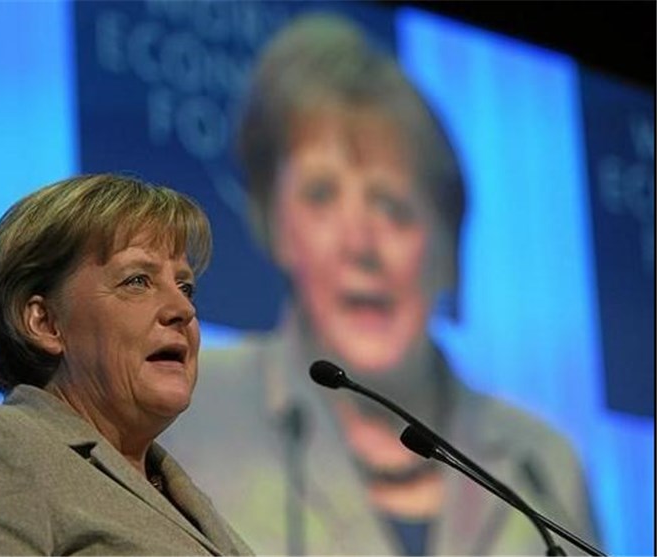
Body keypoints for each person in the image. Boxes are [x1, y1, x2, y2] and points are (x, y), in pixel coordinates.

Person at [162, 13, 600, 555]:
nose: (361, 244)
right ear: (276, 228)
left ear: (446, 250)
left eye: (393, 207)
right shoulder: (187, 412)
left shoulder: (543, 466)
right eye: (321, 196)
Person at [0, 174, 253, 555]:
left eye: (185, 287)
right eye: (137, 281)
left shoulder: (183, 496)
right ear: (45, 323)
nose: (183, 309)